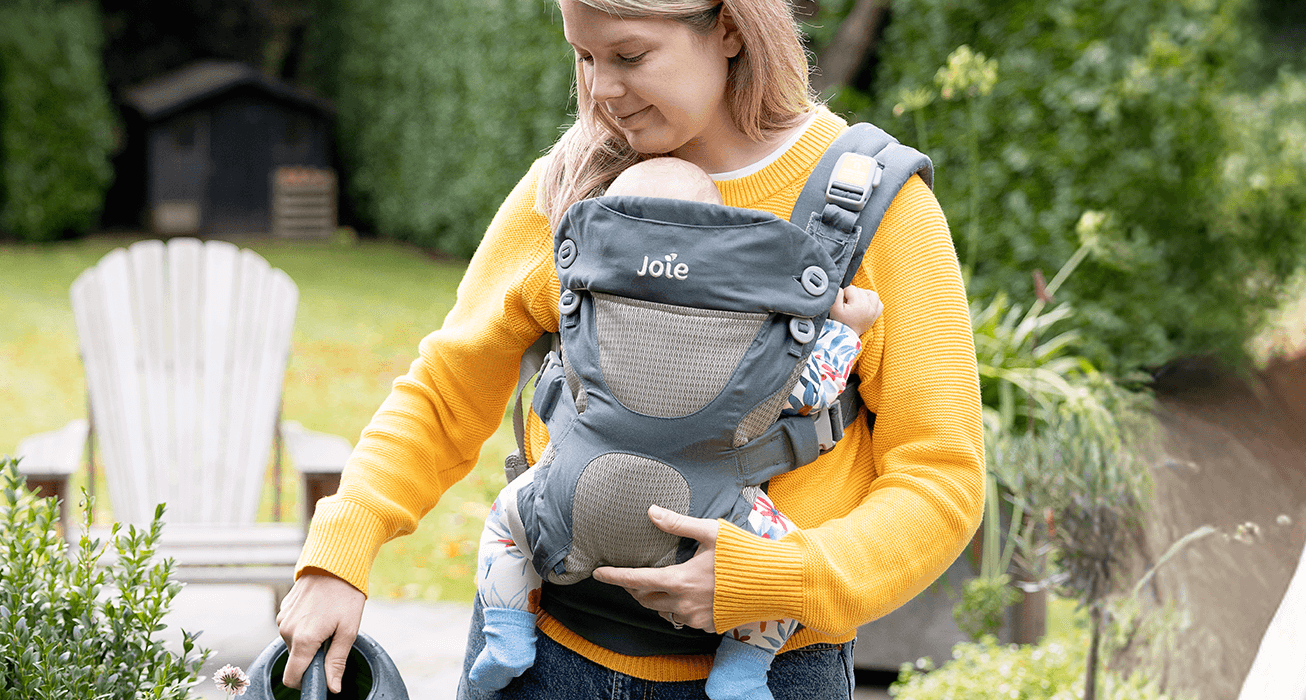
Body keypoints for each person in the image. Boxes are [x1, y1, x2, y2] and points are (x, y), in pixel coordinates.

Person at [277, 0, 983, 697]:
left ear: (731, 29)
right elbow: (445, 389)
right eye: (583, 56)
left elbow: (940, 478)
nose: (600, 90)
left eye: (629, 56)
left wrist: (777, 579)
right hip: (538, 663)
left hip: (772, 672)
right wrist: (340, 554)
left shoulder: (872, 205)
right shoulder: (569, 186)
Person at [464, 155, 882, 700]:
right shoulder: (749, 329)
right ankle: (741, 670)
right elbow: (808, 395)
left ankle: (506, 634)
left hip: (569, 501)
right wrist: (845, 331)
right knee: (778, 572)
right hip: (712, 518)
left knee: (504, 524)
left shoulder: (586, 303)